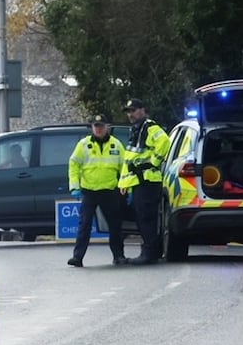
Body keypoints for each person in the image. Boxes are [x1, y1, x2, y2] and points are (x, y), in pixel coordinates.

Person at [66, 114, 128, 267]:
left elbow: (124, 167)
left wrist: (126, 186)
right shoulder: (84, 144)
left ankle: (118, 256)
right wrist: (74, 186)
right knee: (84, 224)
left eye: (101, 126)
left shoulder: (116, 145)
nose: (98, 129)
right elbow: (74, 164)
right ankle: (78, 257)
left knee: (115, 225)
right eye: (96, 126)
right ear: (92, 128)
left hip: (110, 190)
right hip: (89, 191)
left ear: (107, 127)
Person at [118, 98, 171, 265]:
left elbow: (165, 143)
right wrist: (124, 184)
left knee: (146, 218)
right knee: (142, 217)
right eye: (128, 111)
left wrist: (151, 163)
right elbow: (130, 159)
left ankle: (149, 253)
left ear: (142, 110)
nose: (130, 114)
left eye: (133, 110)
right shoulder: (137, 129)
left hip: (147, 180)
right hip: (139, 182)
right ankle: (150, 251)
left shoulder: (149, 127)